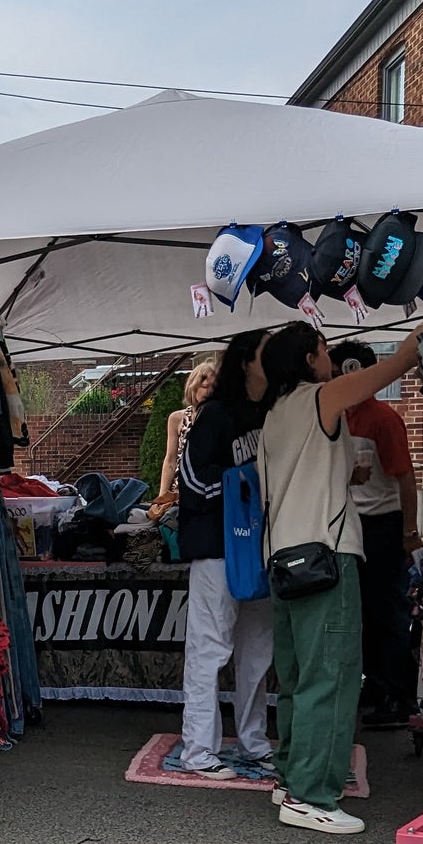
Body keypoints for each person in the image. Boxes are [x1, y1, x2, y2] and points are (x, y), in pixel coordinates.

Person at [257, 324, 420, 834]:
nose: (329, 357)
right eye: (324, 350)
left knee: (300, 677)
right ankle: (311, 795)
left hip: (283, 555)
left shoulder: (273, 415)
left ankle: (290, 780)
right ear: (310, 358)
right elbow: (387, 370)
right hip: (326, 555)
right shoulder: (321, 398)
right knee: (332, 677)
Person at [175, 329, 273, 778]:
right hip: (217, 547)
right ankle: (199, 750)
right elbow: (191, 483)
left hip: (261, 547)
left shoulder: (271, 413)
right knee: (210, 649)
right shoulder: (214, 415)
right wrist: (244, 480)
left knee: (258, 650)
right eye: (264, 355)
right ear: (246, 363)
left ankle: (253, 741)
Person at [328, 340, 421, 729]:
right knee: (361, 611)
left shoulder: (384, 418)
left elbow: (405, 477)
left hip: (382, 525)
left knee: (387, 611)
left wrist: (409, 531)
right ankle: (376, 684)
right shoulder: (338, 418)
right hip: (351, 525)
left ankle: (399, 696)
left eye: (336, 373)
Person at [157, 358, 217, 499]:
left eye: (214, 387)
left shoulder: (223, 419)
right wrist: (161, 498)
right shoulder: (177, 418)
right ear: (193, 387)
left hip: (212, 492)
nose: (210, 391)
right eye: (205, 386)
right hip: (181, 494)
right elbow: (170, 461)